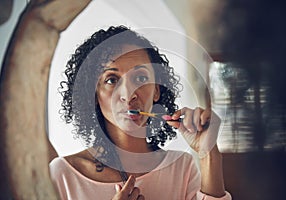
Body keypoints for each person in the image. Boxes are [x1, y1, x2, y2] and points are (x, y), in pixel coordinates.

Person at [49, 25, 231, 200]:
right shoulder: (62, 175)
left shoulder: (181, 167)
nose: (129, 95)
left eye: (141, 78)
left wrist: (209, 155)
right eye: (111, 80)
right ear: (94, 94)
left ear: (157, 91)